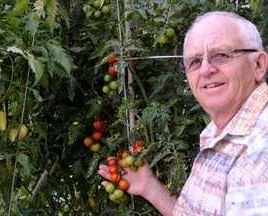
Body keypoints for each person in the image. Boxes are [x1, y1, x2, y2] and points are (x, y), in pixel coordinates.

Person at [98, 11, 268, 215]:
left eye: (221, 55)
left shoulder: (258, 154)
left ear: (258, 65)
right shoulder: (222, 132)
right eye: (195, 61)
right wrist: (150, 187)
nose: (205, 70)